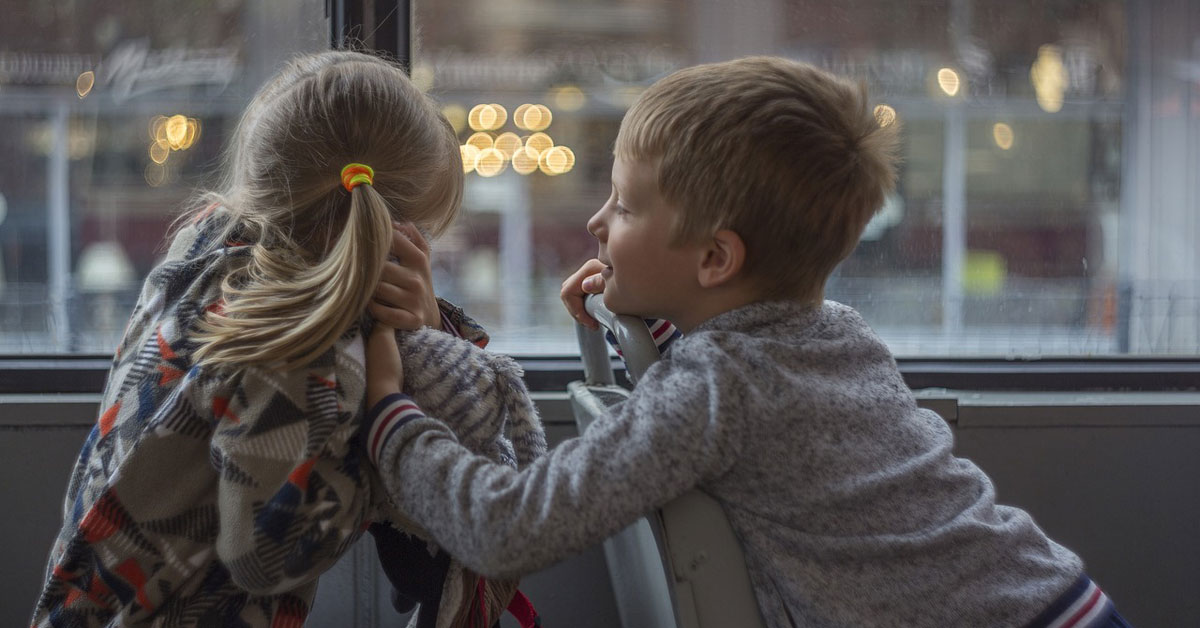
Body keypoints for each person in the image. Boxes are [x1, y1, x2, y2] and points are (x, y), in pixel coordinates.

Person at [363, 56, 1132, 627]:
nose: (597, 224)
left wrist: (392, 418)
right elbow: (721, 388)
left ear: (715, 260)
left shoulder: (716, 392)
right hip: (1057, 601)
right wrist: (631, 329)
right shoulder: (831, 336)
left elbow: (508, 528)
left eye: (625, 207)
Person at [30, 50, 522, 627]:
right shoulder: (305, 343)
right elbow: (265, 558)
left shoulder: (204, 246)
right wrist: (380, 444)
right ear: (391, 245)